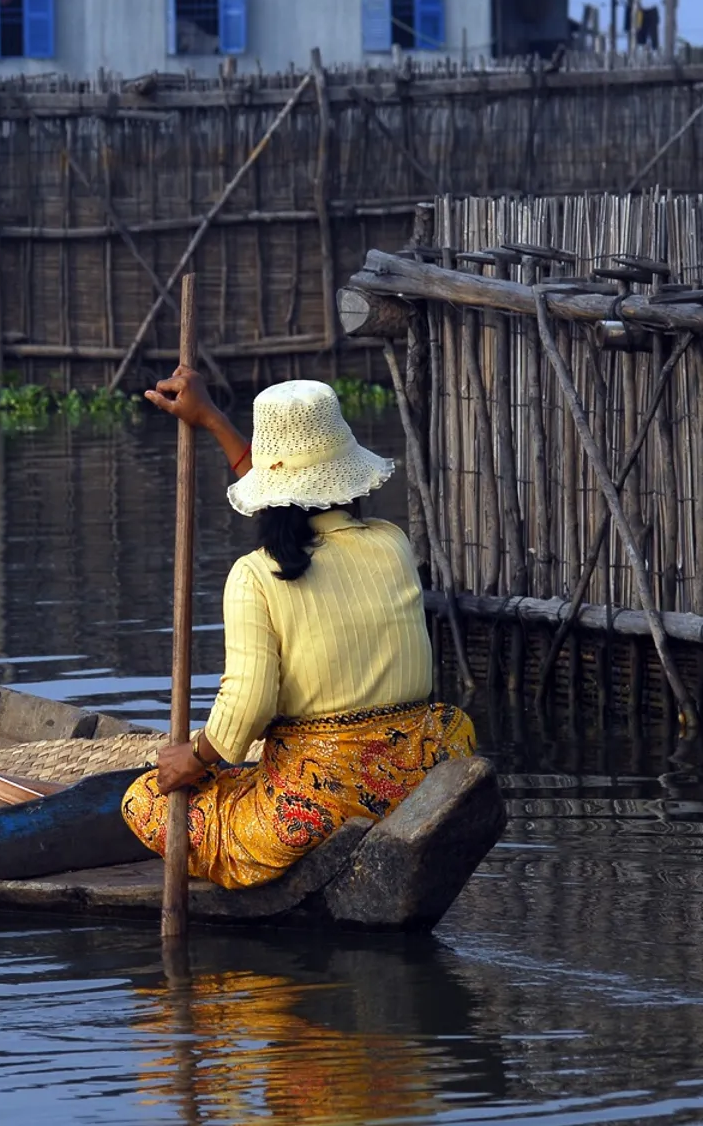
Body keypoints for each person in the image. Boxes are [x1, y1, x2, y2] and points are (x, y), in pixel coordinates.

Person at [121, 370, 477, 890]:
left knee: (143, 800)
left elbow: (249, 705)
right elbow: (291, 496)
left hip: (320, 805)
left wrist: (192, 760)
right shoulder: (393, 543)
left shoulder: (255, 575)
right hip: (417, 774)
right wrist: (212, 420)